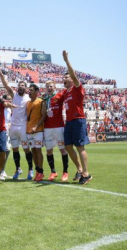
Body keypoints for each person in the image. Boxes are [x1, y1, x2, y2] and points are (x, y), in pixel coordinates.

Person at [61, 50, 92, 184]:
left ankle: (86, 174)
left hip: (78, 120)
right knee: (67, 146)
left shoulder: (77, 88)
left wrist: (67, 61)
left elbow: (73, 76)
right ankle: (80, 169)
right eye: (64, 77)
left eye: (66, 77)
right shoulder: (65, 93)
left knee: (80, 147)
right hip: (69, 122)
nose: (65, 78)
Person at [0, 70, 34, 180]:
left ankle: (31, 169)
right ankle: (18, 169)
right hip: (13, 126)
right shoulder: (14, 95)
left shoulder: (28, 97)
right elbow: (6, 85)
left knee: (26, 149)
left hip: (23, 126)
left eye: (22, 85)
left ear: (26, 87)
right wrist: (1, 76)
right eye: (19, 85)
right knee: (15, 149)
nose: (20, 87)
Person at [43, 80, 70, 181]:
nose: (49, 88)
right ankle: (53, 172)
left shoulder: (59, 95)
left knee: (62, 149)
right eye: (47, 86)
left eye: (51, 86)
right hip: (47, 127)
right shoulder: (44, 98)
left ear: (54, 87)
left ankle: (65, 172)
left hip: (59, 126)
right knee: (49, 150)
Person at [26, 84, 47, 181]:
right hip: (29, 130)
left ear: (36, 91)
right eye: (29, 90)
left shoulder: (41, 102)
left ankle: (41, 172)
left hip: (38, 130)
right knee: (33, 151)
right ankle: (37, 170)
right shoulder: (28, 103)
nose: (29, 92)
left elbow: (43, 116)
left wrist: (36, 126)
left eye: (31, 90)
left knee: (38, 150)